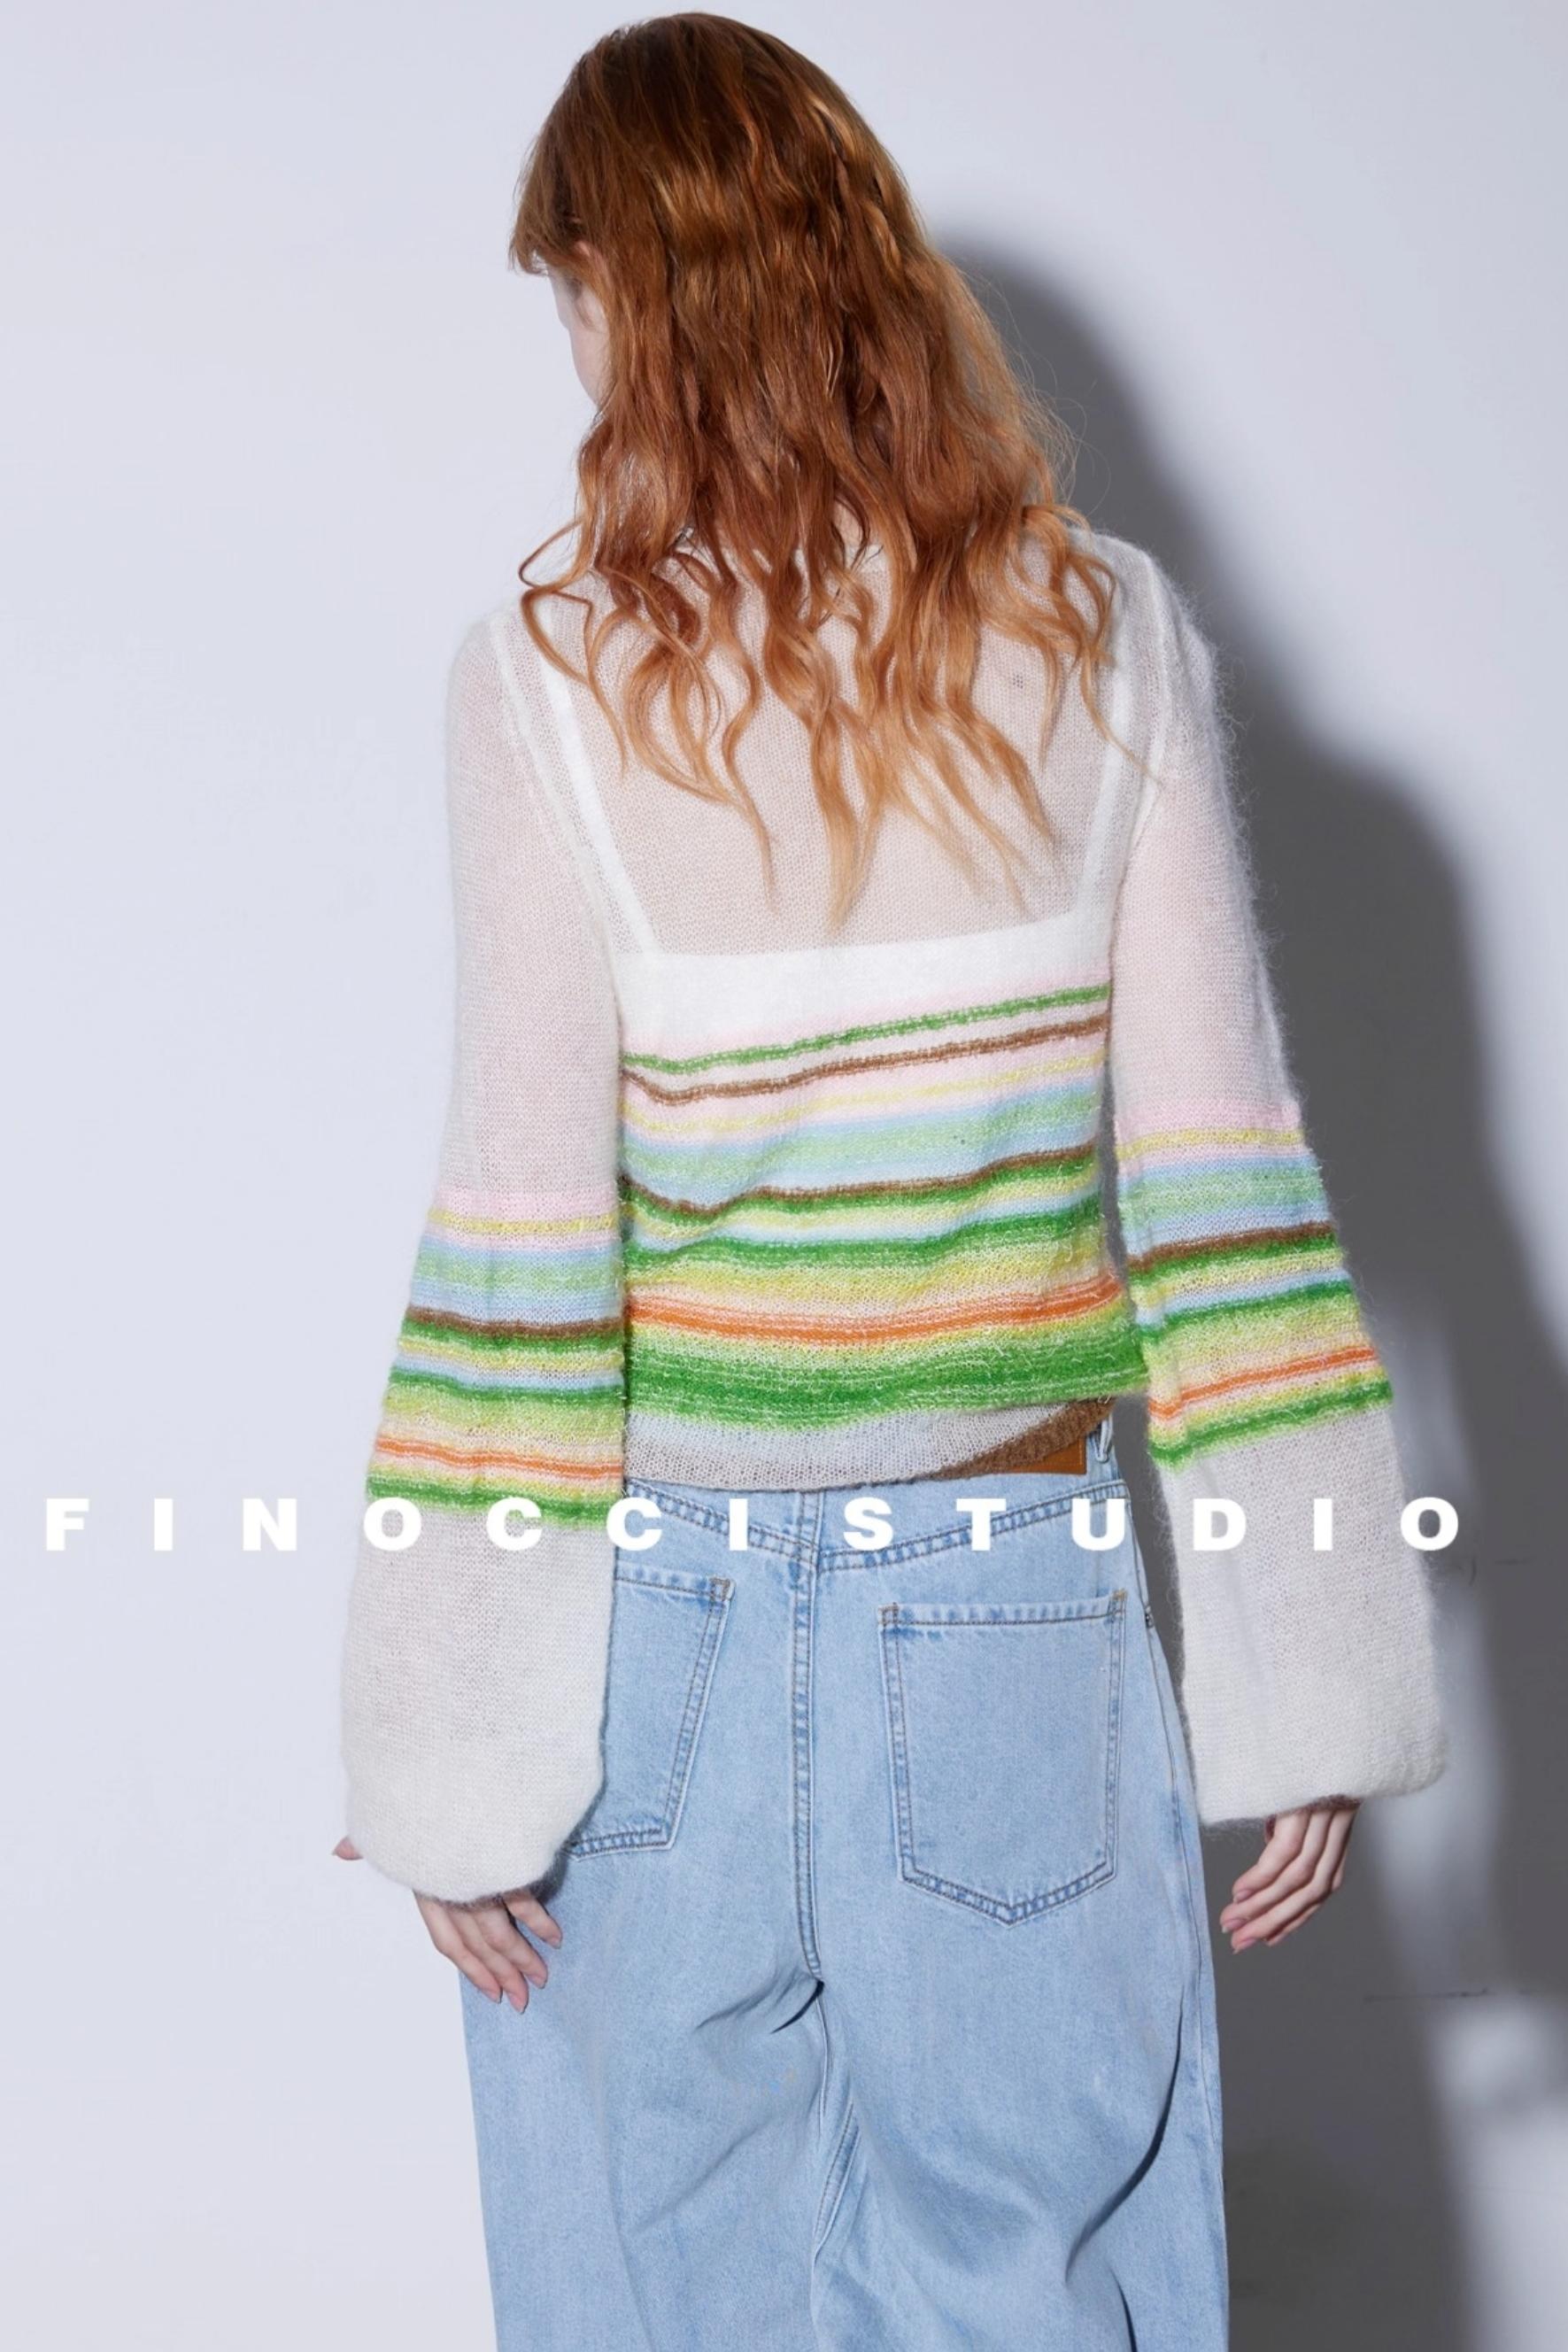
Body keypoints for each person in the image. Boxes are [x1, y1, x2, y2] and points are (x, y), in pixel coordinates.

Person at [333, 16, 1448, 2347]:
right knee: (1027, 2293)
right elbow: (1226, 1198)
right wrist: (1310, 1677)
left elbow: (520, 1248)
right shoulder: (1097, 636)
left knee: (656, 2298)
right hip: (1014, 1609)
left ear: (631, 299)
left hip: (654, 1639)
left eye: (576, 293)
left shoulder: (542, 682)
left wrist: (445, 1748)